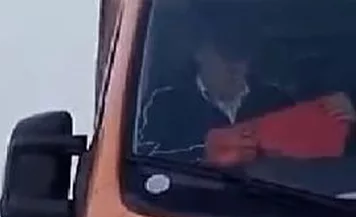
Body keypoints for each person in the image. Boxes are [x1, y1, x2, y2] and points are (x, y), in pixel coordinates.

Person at [136, 22, 355, 162]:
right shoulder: (164, 101)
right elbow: (140, 160)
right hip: (182, 213)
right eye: (227, 54)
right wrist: (202, 154)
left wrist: (348, 122)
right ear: (200, 52)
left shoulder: (274, 100)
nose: (236, 66)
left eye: (242, 55)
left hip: (267, 215)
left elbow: (322, 156)